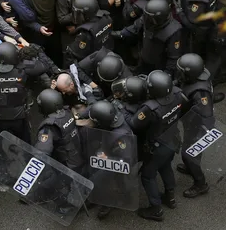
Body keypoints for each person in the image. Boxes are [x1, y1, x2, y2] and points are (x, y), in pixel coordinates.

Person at [122, 70, 187, 221]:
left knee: (147, 175)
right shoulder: (177, 93)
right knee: (165, 167)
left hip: (157, 147)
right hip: (172, 140)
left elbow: (134, 124)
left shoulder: (150, 107)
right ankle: (170, 198)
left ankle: (156, 209)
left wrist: (123, 109)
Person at [175, 54, 222, 198]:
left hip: (200, 127)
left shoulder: (200, 93)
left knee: (188, 154)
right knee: (190, 154)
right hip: (192, 124)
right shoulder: (199, 77)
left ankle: (200, 184)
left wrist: (200, 135)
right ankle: (191, 167)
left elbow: (206, 116)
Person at [79, 100, 134, 219]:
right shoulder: (110, 112)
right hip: (108, 150)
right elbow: (95, 108)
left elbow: (126, 160)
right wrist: (80, 116)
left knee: (99, 180)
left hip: (118, 161)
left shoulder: (120, 137)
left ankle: (108, 202)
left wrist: (107, 159)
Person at [114, 0, 182, 77]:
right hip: (144, 58)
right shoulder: (148, 18)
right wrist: (120, 34)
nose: (146, 18)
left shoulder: (173, 30)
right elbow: (135, 28)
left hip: (158, 67)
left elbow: (173, 57)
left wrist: (167, 74)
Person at [35, 88, 83, 172]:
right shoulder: (68, 112)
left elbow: (41, 154)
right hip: (78, 157)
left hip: (65, 169)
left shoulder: (49, 126)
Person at [65, 0, 113, 66]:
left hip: (94, 65)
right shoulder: (106, 17)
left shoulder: (86, 33)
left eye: (79, 14)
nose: (77, 16)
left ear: (87, 14)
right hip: (109, 56)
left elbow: (74, 54)